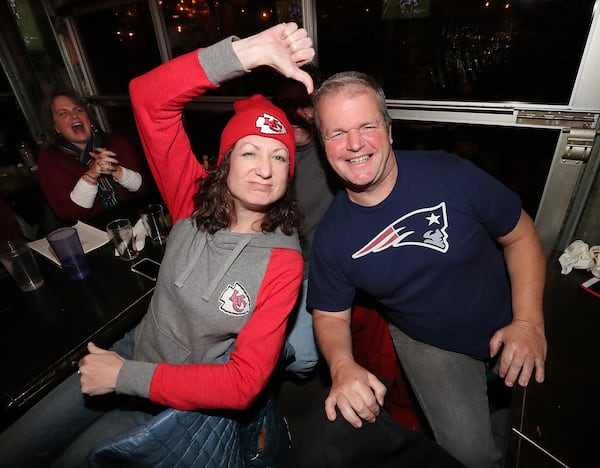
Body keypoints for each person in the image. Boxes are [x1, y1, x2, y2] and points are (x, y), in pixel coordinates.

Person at [0, 22, 314, 467]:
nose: (265, 168)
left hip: (178, 398)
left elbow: (244, 383)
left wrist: (126, 377)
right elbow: (149, 98)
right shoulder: (192, 198)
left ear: (290, 171)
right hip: (132, 348)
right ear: (225, 162)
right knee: (17, 445)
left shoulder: (283, 261)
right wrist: (246, 53)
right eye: (250, 151)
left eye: (279, 155)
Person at [306, 71, 547, 467]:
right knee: (471, 456)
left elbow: (520, 235)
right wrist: (342, 365)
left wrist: (529, 322)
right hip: (430, 341)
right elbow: (330, 314)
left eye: (367, 126)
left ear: (388, 129)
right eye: (336, 133)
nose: (354, 144)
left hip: (507, 309)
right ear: (323, 144)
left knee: (545, 429)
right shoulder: (333, 235)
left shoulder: (449, 173)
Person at [272, 66, 338, 377]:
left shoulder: (334, 154)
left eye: (307, 104)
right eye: (287, 106)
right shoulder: (267, 152)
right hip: (272, 263)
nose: (297, 113)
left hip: (314, 269)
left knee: (300, 358)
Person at [38, 90, 149, 224]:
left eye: (78, 110)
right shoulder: (50, 160)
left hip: (135, 220)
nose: (74, 116)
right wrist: (91, 175)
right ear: (55, 127)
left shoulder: (115, 142)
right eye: (63, 113)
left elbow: (145, 189)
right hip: (92, 232)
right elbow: (70, 214)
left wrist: (117, 171)